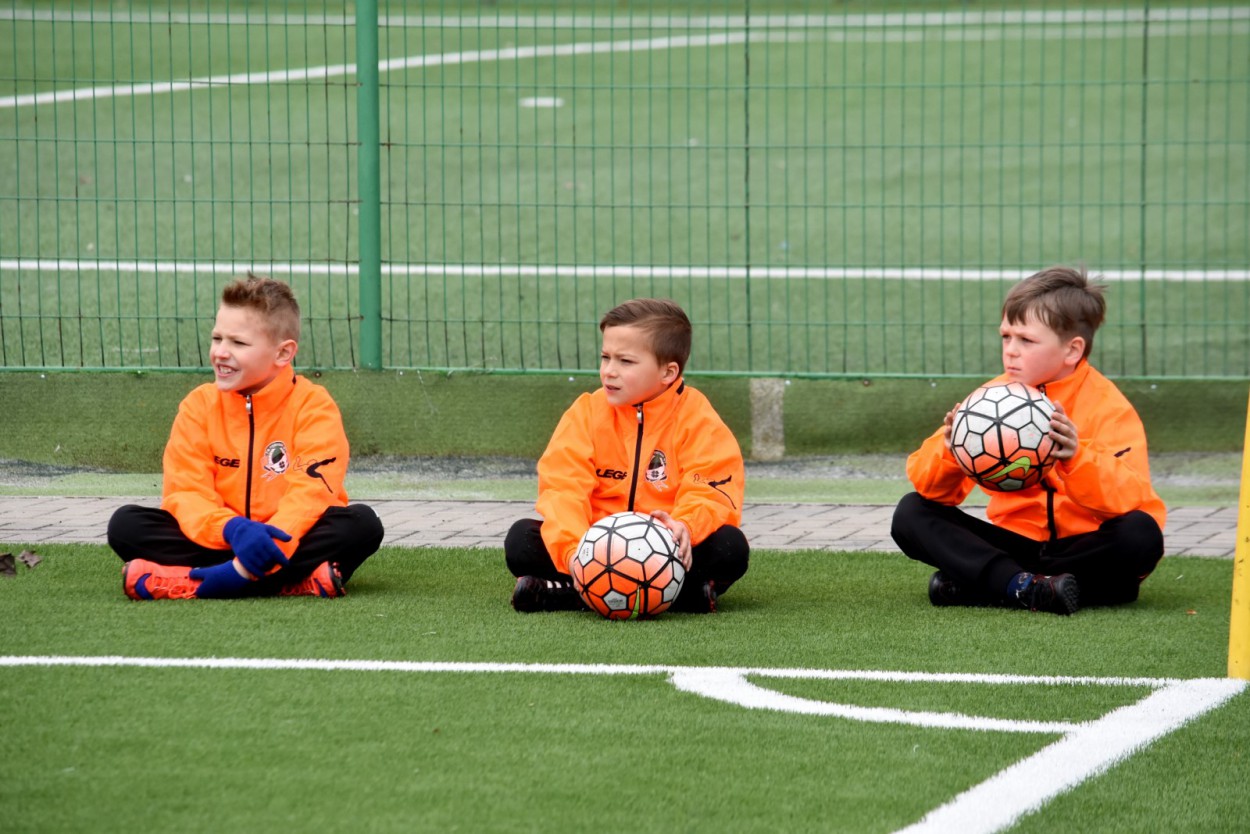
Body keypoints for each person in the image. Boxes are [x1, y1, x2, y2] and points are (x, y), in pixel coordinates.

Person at [890, 266, 1166, 615]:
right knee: (911, 512)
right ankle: (1024, 585)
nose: (1011, 351)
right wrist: (950, 450)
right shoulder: (990, 400)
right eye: (1006, 337)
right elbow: (932, 491)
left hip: (1084, 550)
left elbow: (1129, 500)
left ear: (1072, 350)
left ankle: (995, 586)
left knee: (1141, 533)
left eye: (1026, 340)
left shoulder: (1109, 407)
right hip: (1015, 547)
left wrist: (1076, 457)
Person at [107, 274, 384, 599]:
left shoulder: (314, 406)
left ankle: (200, 580)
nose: (221, 352)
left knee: (361, 525)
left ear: (283, 353)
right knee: (126, 525)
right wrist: (232, 529)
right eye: (217, 338)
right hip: (223, 539)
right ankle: (295, 581)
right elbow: (186, 492)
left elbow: (310, 496)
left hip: (288, 537)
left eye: (238, 343)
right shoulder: (198, 406)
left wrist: (255, 554)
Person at [505, 298, 749, 613]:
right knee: (520, 541)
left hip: (665, 549)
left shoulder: (697, 417)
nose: (609, 371)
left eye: (626, 361)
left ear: (668, 372)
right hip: (593, 548)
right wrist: (575, 553)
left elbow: (711, 488)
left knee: (730, 547)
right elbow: (562, 489)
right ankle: (682, 597)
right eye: (605, 357)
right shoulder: (586, 412)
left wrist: (685, 526)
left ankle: (570, 595)